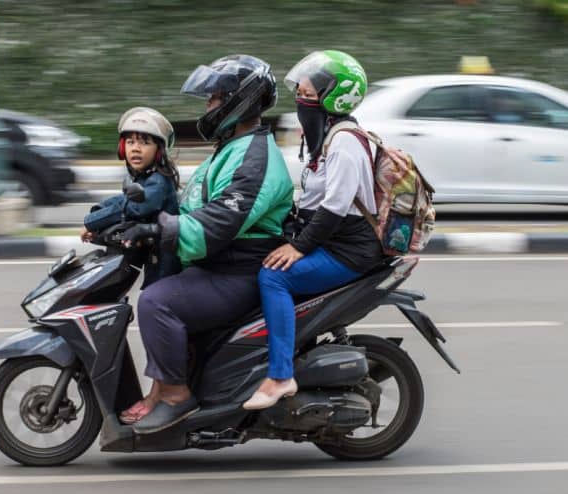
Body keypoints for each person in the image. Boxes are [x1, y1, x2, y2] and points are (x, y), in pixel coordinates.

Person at [118, 55, 294, 431]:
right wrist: (140, 221)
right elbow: (191, 204)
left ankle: (177, 396)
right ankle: (164, 388)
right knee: (159, 289)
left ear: (238, 100)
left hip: (238, 270)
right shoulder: (232, 148)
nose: (208, 105)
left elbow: (219, 221)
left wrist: (160, 230)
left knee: (156, 302)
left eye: (214, 97)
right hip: (218, 263)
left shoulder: (253, 157)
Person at [243, 50, 385, 410]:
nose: (301, 91)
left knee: (274, 277)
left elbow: (335, 207)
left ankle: (279, 375)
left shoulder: (346, 141)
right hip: (331, 240)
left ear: (334, 94)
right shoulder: (327, 137)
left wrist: (299, 247)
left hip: (348, 250)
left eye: (311, 87)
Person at [81, 107, 181, 288]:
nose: (135, 148)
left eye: (144, 143)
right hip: (151, 252)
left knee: (152, 300)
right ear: (122, 147)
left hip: (166, 259)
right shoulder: (141, 177)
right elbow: (123, 199)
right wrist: (98, 210)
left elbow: (134, 207)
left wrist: (92, 222)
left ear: (158, 150)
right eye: (130, 142)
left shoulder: (158, 181)